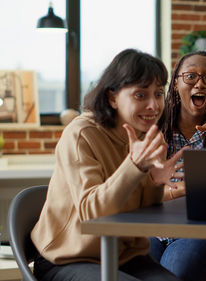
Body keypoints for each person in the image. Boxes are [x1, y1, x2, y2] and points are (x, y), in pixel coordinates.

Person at [31, 49, 183, 281]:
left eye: (159, 94)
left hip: (123, 256)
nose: (154, 105)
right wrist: (134, 165)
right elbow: (93, 214)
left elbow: (140, 212)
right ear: (112, 97)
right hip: (68, 257)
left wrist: (154, 184)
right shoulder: (81, 134)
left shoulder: (149, 138)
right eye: (140, 95)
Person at [149, 51, 206, 281]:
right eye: (191, 76)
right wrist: (178, 192)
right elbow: (140, 188)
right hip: (152, 227)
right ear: (177, 83)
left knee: (173, 274)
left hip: (201, 228)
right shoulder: (156, 120)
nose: (200, 83)